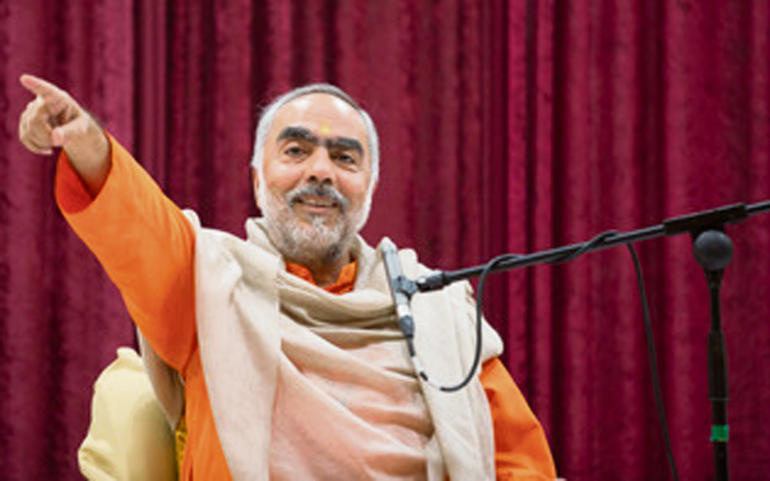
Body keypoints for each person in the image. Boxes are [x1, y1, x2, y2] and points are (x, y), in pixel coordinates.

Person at [18, 74, 557, 481]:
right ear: (258, 180)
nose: (320, 170)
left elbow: (519, 463)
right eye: (296, 151)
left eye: (344, 157)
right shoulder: (207, 283)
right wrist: (86, 142)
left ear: (370, 187)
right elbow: (136, 227)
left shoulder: (437, 309)